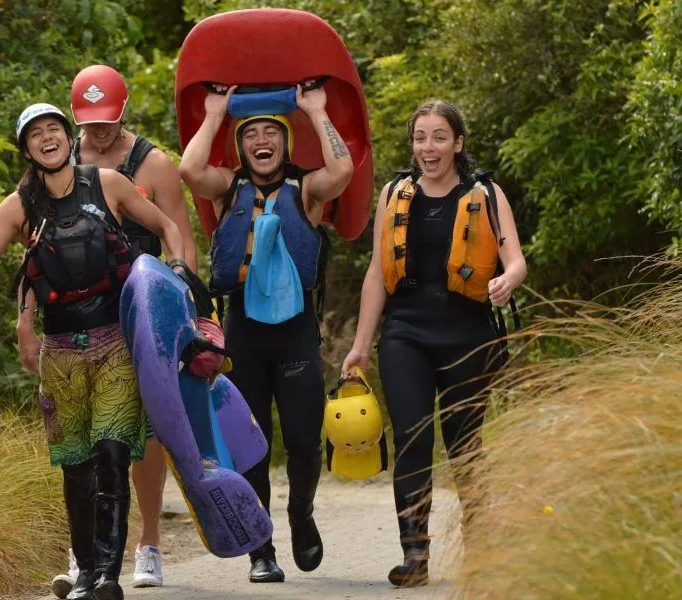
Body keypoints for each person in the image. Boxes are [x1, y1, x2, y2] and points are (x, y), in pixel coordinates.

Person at [0, 102, 186, 600]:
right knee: (77, 465)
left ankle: (108, 577)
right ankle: (85, 574)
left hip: (116, 340)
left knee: (114, 454)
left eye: (55, 128)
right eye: (36, 134)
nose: (48, 137)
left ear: (66, 138)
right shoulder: (19, 207)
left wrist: (177, 275)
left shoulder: (108, 182)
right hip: (60, 352)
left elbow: (167, 227)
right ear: (26, 148)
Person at [341, 100, 527, 587]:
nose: (429, 147)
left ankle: (480, 547)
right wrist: (361, 345)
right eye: (420, 137)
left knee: (465, 445)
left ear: (457, 143)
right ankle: (414, 554)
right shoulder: (394, 194)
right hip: (405, 336)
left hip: (469, 335)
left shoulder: (485, 193)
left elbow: (516, 260)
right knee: (412, 441)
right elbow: (378, 276)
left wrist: (508, 280)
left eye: (439, 136)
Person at [31, 64, 199, 596]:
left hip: (144, 303)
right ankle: (85, 554)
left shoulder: (152, 163)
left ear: (123, 112)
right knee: (84, 438)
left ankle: (147, 542)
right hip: (87, 310)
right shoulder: (61, 159)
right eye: (88, 122)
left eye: (106, 121)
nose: (97, 131)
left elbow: (180, 235)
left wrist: (183, 299)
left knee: (141, 432)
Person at [179, 84, 354, 583]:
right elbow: (189, 169)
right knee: (251, 441)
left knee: (302, 440)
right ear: (240, 147)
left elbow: (342, 170)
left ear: (284, 144)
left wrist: (316, 110)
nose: (261, 140)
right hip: (244, 331)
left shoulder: (309, 189)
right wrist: (214, 114)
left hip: (295, 331)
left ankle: (301, 513)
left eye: (270, 133)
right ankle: (261, 546)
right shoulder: (227, 188)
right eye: (251, 133)